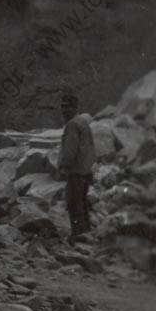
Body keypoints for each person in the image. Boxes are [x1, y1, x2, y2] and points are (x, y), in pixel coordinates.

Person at [58, 89, 96, 240]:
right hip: (85, 171)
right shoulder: (83, 122)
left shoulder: (72, 125)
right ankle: (86, 233)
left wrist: (63, 167)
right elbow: (91, 147)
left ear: (75, 108)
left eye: (67, 106)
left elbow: (70, 151)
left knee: (74, 204)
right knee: (82, 204)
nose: (64, 110)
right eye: (62, 106)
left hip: (76, 172)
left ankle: (78, 235)